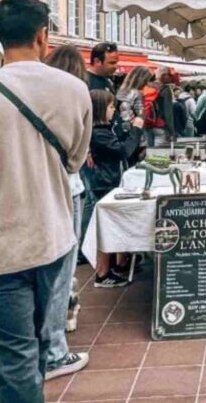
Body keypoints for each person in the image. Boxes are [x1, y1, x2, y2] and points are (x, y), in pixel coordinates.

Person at [0, 0, 92, 402]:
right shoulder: (75, 89)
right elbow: (76, 159)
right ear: (43, 35)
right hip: (54, 237)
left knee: (14, 360)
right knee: (40, 349)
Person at [42, 45, 91, 380]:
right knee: (62, 269)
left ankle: (40, 342)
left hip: (34, 185)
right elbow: (78, 152)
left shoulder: (34, 92)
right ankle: (54, 352)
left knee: (40, 268)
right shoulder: (76, 95)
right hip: (68, 186)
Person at [82, 89, 142, 286]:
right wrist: (136, 130)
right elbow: (123, 150)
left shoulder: (102, 131)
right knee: (105, 227)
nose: (113, 110)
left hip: (106, 180)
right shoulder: (99, 134)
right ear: (100, 110)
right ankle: (102, 273)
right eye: (110, 107)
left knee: (111, 225)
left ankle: (118, 263)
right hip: (103, 183)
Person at [117, 67, 153, 164]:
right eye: (147, 80)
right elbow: (140, 119)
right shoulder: (137, 94)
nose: (147, 84)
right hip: (135, 137)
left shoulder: (121, 92)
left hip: (122, 135)